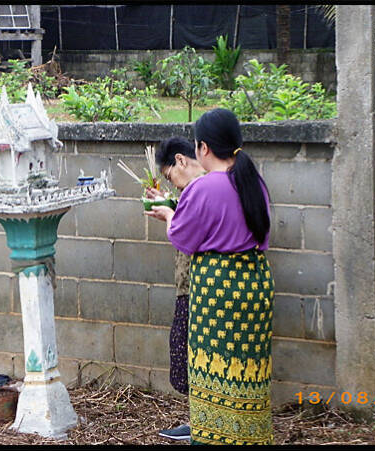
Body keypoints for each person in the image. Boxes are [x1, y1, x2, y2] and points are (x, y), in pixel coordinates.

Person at [146, 108, 273, 445]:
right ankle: (251, 436)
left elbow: (183, 238)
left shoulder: (205, 187)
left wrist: (169, 216)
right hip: (256, 283)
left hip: (219, 289)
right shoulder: (253, 182)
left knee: (215, 368)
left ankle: (216, 436)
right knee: (248, 369)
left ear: (203, 148)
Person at [147, 137, 206, 442]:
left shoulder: (205, 188)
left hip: (199, 286)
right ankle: (200, 421)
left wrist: (170, 215)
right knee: (186, 352)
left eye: (170, 176)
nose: (173, 183)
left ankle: (203, 424)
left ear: (181, 160)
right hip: (189, 284)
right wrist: (170, 206)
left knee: (189, 354)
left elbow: (193, 232)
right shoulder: (196, 190)